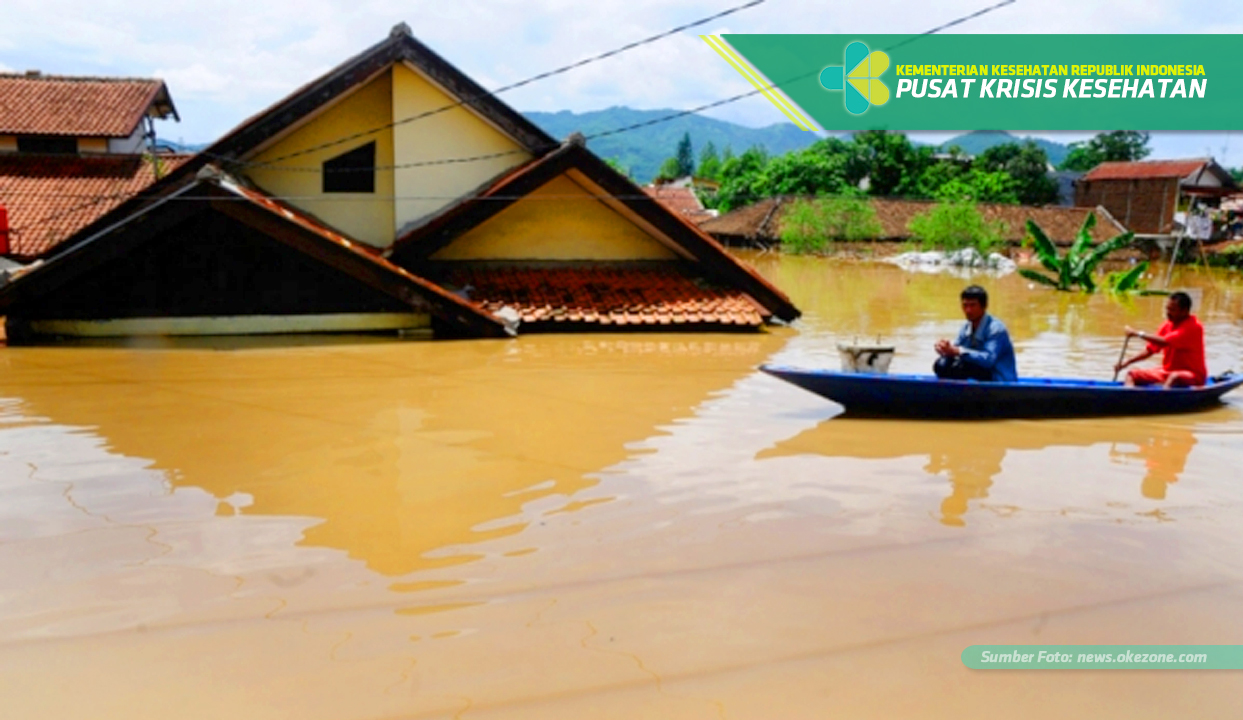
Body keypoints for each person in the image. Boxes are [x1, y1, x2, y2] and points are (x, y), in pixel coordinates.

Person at [1115, 291, 1207, 388]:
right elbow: (1150, 350)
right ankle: (1129, 399)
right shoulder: (1167, 325)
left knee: (1174, 377)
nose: (1168, 313)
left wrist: (1138, 334)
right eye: (1167, 309)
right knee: (1131, 374)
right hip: (1168, 372)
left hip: (1193, 376)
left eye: (1172, 310)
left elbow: (1165, 341)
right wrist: (1126, 362)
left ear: (1184, 311)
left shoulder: (1193, 327)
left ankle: (1162, 400)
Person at [933, 285, 1018, 382]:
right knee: (942, 364)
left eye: (973, 305)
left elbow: (988, 360)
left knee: (960, 367)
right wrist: (945, 349)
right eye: (965, 305)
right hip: (979, 374)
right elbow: (956, 348)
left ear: (984, 306)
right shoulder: (966, 327)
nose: (968, 310)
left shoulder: (996, 329)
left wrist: (958, 351)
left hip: (998, 378)